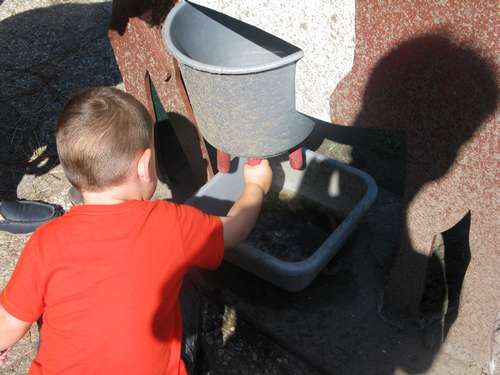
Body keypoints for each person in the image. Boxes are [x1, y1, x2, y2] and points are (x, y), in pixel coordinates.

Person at [0, 87, 272, 374]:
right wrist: (256, 186)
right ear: (144, 166)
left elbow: (8, 322)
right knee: (188, 285)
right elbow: (236, 228)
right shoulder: (170, 223)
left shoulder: (45, 241)